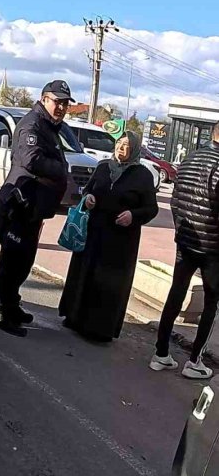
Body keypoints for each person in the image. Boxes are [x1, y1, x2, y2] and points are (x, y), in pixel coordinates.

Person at [0, 80, 72, 337]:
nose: (61, 107)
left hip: (33, 208)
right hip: (19, 205)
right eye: (57, 101)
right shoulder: (32, 124)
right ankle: (2, 313)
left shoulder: (50, 126)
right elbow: (31, 159)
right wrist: (62, 170)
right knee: (12, 261)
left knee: (23, 261)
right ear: (44, 98)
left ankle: (12, 304)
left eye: (65, 103)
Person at [59, 131, 158, 342]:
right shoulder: (103, 166)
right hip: (94, 232)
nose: (121, 148)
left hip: (120, 240)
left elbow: (151, 208)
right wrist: (88, 197)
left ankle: (99, 329)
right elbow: (88, 189)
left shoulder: (142, 175)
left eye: (126, 145)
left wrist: (133, 215)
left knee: (109, 283)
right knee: (85, 274)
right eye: (119, 143)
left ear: (134, 150)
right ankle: (74, 318)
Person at [150, 121, 219, 379]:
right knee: (211, 303)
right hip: (213, 246)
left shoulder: (189, 159)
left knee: (176, 293)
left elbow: (175, 200)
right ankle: (194, 361)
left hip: (187, 240)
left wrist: (181, 229)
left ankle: (161, 354)